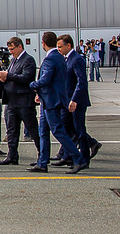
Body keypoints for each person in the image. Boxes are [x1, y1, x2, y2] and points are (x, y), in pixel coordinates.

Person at [28, 31, 87, 174]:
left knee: (57, 130)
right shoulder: (60, 57)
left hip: (51, 100)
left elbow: (46, 79)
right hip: (49, 99)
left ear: (43, 43)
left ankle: (78, 158)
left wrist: (32, 85)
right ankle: (42, 162)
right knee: (43, 131)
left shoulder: (51, 58)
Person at [53, 34, 101, 167]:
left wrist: (74, 99)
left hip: (76, 101)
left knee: (79, 130)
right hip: (66, 101)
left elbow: (81, 82)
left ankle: (84, 159)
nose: (58, 49)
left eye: (60, 47)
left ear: (69, 45)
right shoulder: (65, 59)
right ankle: (68, 155)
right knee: (66, 128)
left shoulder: (77, 59)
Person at [0, 37, 38, 166]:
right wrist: (4, 78)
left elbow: (26, 78)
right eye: (9, 49)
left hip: (24, 101)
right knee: (12, 130)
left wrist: (8, 76)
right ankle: (12, 155)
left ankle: (42, 155)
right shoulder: (14, 60)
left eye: (12, 49)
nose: (11, 52)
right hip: (12, 101)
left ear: (20, 47)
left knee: (33, 129)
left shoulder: (28, 60)